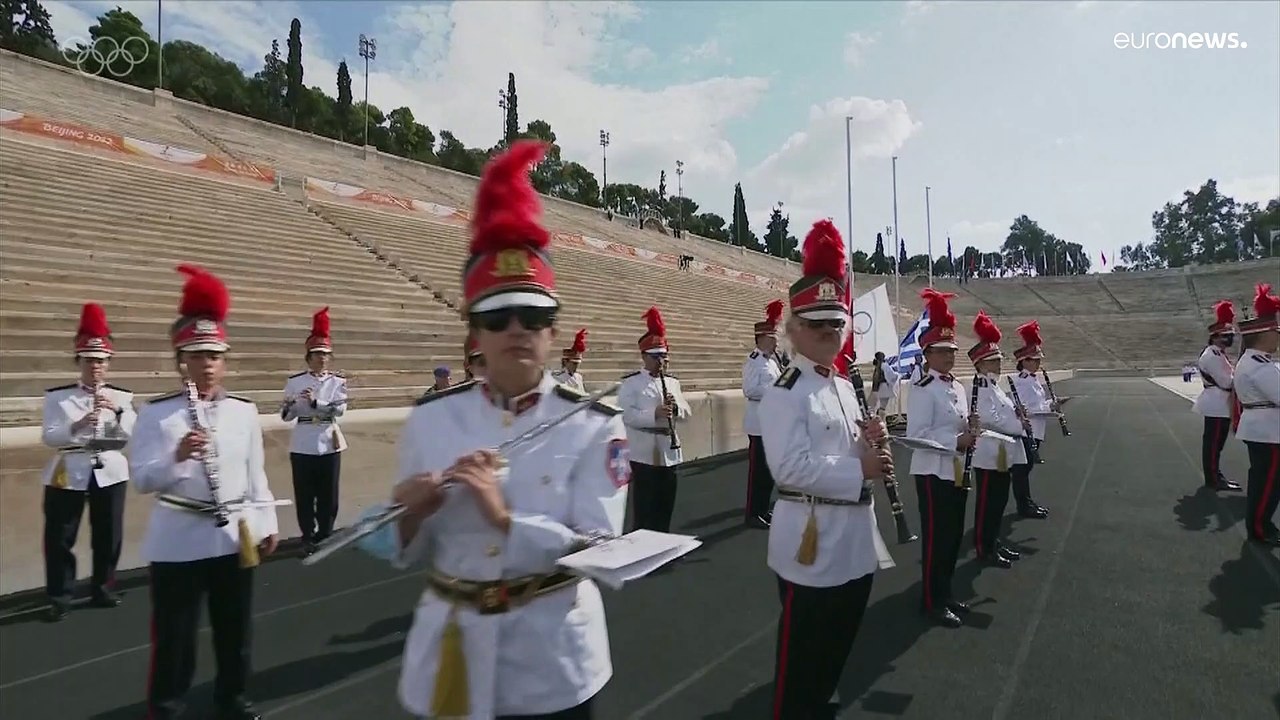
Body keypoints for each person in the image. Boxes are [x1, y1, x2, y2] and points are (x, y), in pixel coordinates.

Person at [363, 140, 631, 720]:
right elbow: (393, 548)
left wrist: (505, 520)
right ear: (474, 335)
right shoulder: (433, 417)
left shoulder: (593, 426)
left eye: (533, 316)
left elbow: (601, 548)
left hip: (553, 664)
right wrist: (406, 515)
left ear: (553, 332)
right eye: (496, 316)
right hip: (451, 652)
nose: (517, 329)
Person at [131, 264, 280, 720]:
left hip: (233, 534)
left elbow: (257, 473)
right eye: (197, 355)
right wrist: (176, 456)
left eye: (215, 355)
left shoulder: (243, 411)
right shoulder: (157, 415)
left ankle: (232, 698)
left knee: (235, 628)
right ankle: (168, 706)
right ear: (181, 360)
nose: (207, 364)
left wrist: (268, 520)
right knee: (175, 635)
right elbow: (141, 479)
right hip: (178, 536)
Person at [760, 219, 894, 719]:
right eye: (817, 324)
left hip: (854, 543)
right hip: (811, 547)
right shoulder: (785, 391)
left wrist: (870, 441)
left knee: (836, 652)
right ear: (793, 329)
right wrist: (859, 467)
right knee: (800, 668)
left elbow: (844, 448)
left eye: (836, 323)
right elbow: (790, 468)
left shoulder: (842, 385)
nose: (829, 333)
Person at [40, 302, 135, 622]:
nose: (96, 367)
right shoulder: (58, 397)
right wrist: (79, 425)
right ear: (79, 360)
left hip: (108, 467)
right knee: (60, 535)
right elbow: (50, 437)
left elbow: (127, 438)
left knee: (109, 533)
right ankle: (59, 595)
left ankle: (104, 587)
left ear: (108, 364)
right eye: (90, 360)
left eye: (102, 361)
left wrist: (116, 413)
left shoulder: (122, 397)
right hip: (69, 468)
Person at [907, 288, 974, 628]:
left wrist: (970, 429)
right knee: (936, 539)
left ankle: (945, 592)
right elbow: (917, 435)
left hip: (958, 471)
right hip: (933, 473)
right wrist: (957, 440)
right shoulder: (921, 388)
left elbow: (958, 426)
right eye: (942, 352)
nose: (949, 357)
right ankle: (931, 601)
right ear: (927, 353)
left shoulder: (958, 387)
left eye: (952, 351)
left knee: (952, 537)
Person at [281, 306, 349, 554]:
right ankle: (307, 534)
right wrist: (289, 406)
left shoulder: (337, 382)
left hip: (329, 440)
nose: (322, 358)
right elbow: (287, 416)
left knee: (328, 493)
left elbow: (339, 410)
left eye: (325, 354)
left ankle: (326, 532)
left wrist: (315, 403)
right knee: (305, 493)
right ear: (308, 357)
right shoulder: (295, 381)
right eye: (317, 354)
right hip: (303, 441)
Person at [619, 306, 692, 533]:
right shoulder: (631, 383)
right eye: (655, 357)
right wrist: (654, 414)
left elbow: (687, 412)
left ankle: (663, 542)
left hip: (669, 452)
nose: (661, 361)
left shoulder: (672, 382)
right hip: (643, 452)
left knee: (665, 503)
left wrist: (677, 409)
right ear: (644, 357)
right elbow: (626, 415)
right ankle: (640, 548)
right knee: (644, 505)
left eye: (663, 356)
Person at [967, 312, 1025, 568]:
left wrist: (1017, 417)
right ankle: (983, 546)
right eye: (993, 361)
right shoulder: (978, 386)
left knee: (999, 502)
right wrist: (1017, 424)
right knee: (987, 505)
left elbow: (1004, 413)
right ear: (980, 364)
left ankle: (994, 541)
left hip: (1003, 452)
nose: (998, 365)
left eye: (999, 360)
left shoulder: (996, 387)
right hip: (989, 454)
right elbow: (988, 419)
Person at [1233, 283, 1280, 546]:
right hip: (1268, 430)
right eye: (1276, 332)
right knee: (1269, 483)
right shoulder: (1259, 365)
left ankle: (1261, 524)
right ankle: (1260, 527)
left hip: (1262, 428)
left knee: (1265, 480)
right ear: (1263, 335)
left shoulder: (1254, 361)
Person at [742, 299, 785, 529]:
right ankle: (752, 513)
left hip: (771, 424)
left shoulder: (772, 362)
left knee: (768, 472)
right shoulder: (754, 362)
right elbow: (749, 389)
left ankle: (763, 509)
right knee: (756, 474)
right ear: (762, 339)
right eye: (773, 337)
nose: (776, 341)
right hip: (758, 425)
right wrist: (776, 390)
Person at [1193, 300, 1243, 491]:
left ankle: (1215, 475)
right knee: (1213, 444)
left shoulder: (1218, 354)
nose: (1229, 339)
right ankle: (1213, 478)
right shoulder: (1211, 355)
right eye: (1225, 336)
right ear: (1215, 337)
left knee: (1216, 444)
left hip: (1220, 403)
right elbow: (1226, 382)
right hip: (1216, 403)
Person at [1010, 321, 1051, 519]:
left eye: (1038, 360)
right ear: (1024, 361)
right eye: (1034, 360)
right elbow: (1024, 408)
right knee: (1021, 470)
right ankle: (1023, 505)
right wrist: (1046, 409)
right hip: (1027, 430)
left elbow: (1039, 404)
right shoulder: (1021, 381)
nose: (1037, 363)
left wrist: (1052, 404)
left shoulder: (1034, 379)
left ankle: (1027, 501)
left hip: (1036, 429)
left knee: (1026, 469)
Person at [870, 351, 900, 417]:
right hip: (884, 388)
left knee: (879, 405)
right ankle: (881, 419)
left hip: (878, 388)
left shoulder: (878, 366)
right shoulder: (884, 365)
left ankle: (878, 417)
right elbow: (891, 376)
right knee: (883, 407)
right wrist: (898, 375)